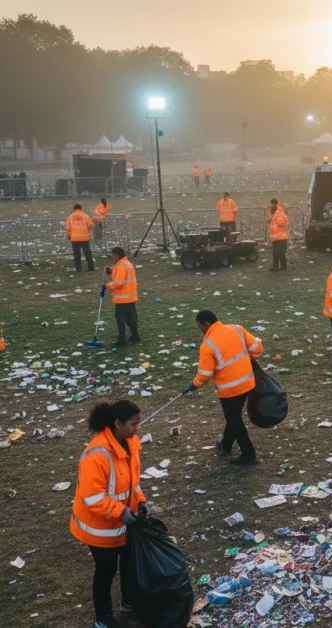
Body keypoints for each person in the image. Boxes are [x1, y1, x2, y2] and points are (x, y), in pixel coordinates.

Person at [71, 399, 147, 628]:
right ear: (117, 424)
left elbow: (132, 482)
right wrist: (121, 511)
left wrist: (140, 501)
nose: (137, 429)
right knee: (105, 571)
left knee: (128, 562)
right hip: (99, 528)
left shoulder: (129, 444)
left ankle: (128, 602)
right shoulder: (96, 455)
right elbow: (92, 498)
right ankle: (102, 618)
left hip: (121, 522)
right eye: (133, 424)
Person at [184, 310, 263, 465]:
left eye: (200, 326)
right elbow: (257, 348)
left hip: (230, 389)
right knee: (233, 416)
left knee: (234, 419)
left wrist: (194, 384)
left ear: (206, 324)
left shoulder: (207, 345)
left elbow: (205, 374)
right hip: (248, 381)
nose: (200, 330)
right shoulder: (236, 328)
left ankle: (248, 453)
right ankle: (226, 445)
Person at [104, 247, 139, 347]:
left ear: (116, 255)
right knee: (130, 318)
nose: (112, 257)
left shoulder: (120, 266)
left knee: (120, 318)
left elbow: (118, 283)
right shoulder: (126, 263)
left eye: (113, 255)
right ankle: (135, 335)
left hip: (123, 297)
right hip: (130, 296)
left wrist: (107, 285)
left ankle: (121, 339)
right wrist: (111, 273)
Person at [66, 203, 95, 272]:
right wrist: (87, 232)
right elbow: (91, 225)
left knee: (77, 255)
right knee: (87, 253)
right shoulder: (85, 216)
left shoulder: (70, 217)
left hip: (75, 239)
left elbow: (68, 228)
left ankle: (78, 269)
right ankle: (91, 267)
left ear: (74, 209)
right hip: (85, 238)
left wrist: (69, 236)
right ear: (81, 209)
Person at [268, 198, 290, 271]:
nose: (269, 206)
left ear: (274, 204)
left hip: (281, 236)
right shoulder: (274, 212)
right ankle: (275, 266)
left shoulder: (278, 213)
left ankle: (283, 267)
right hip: (276, 237)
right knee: (275, 253)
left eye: (270, 204)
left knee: (280, 253)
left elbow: (281, 223)